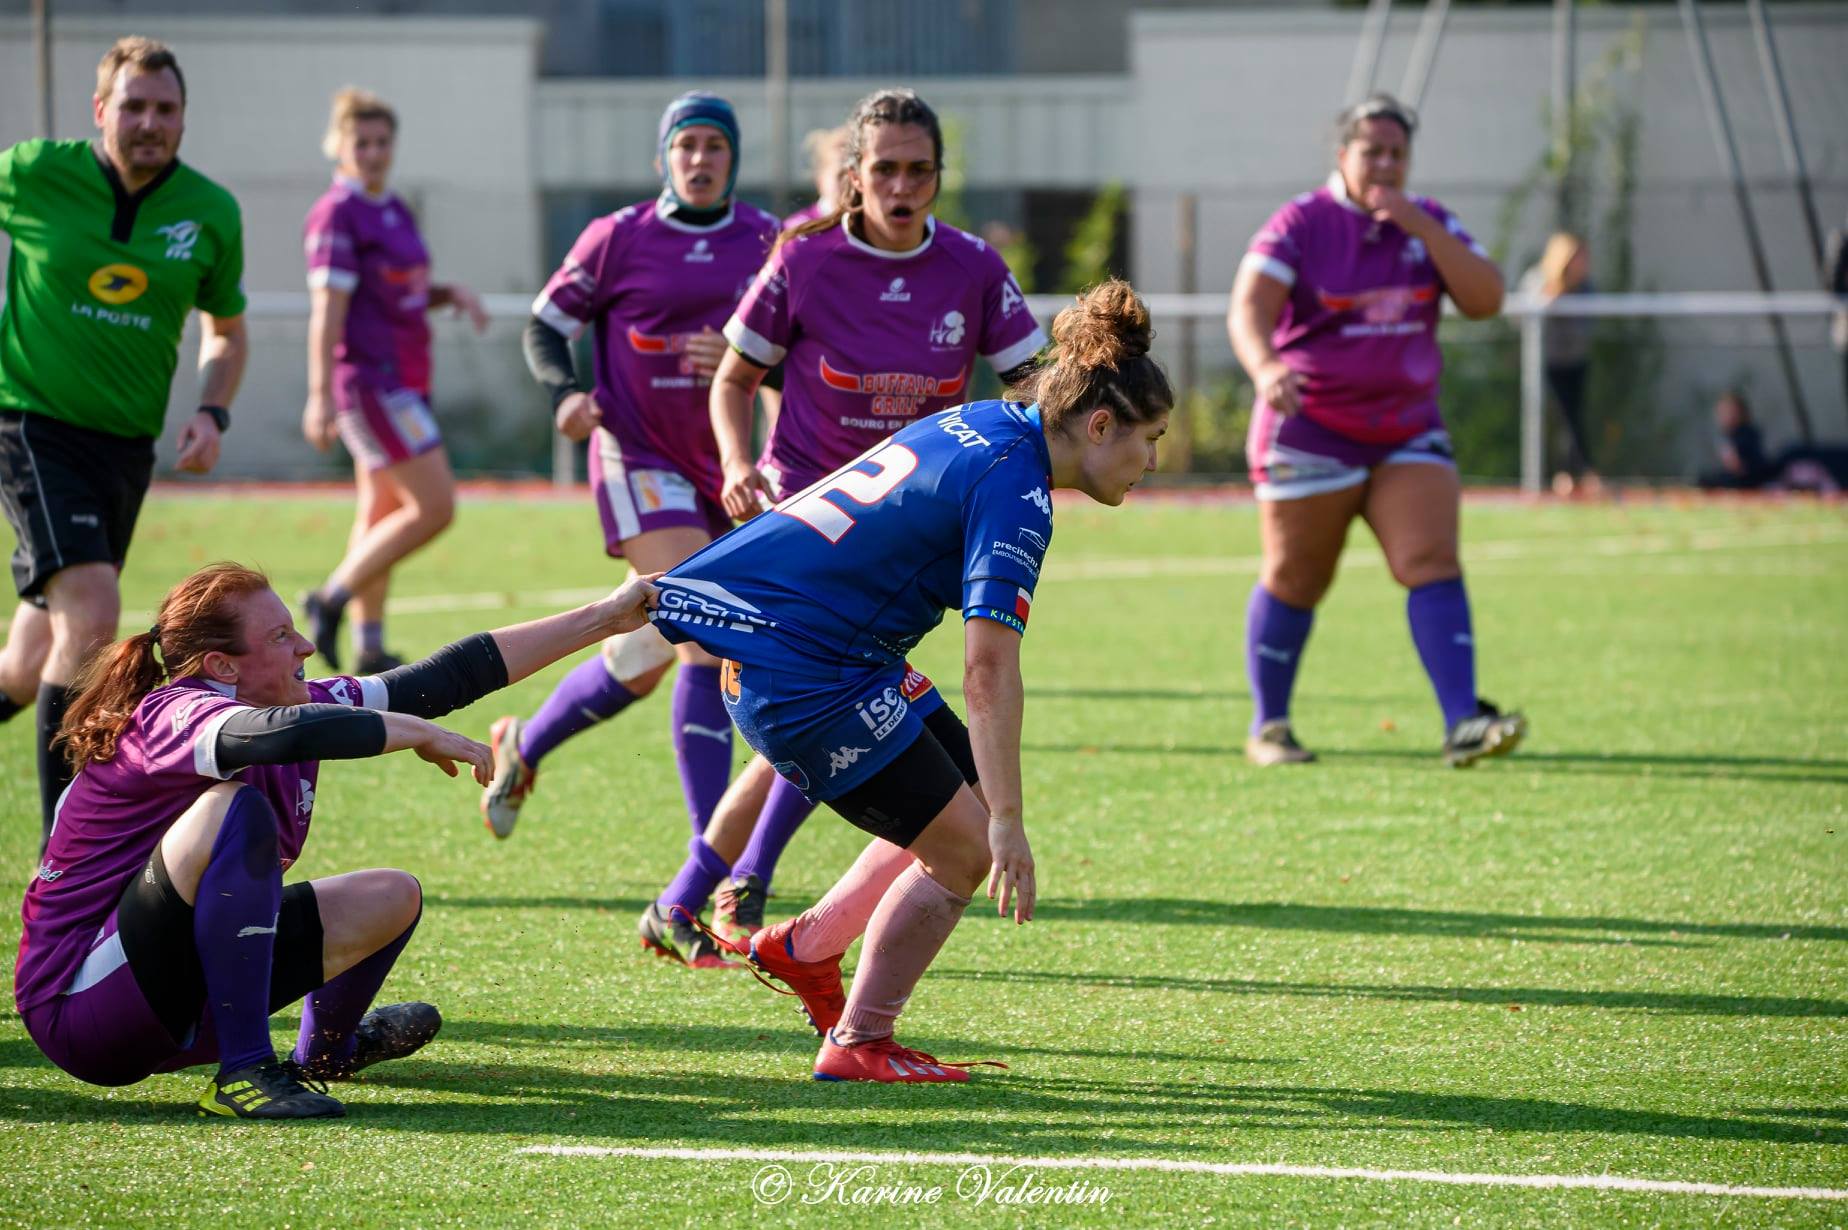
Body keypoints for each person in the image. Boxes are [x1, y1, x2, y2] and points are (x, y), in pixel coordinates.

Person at [653, 280, 1169, 1082]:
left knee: (958, 778)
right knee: (965, 853)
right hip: (807, 681)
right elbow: (988, 667)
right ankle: (859, 1043)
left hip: (813, 657)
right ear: (1100, 425)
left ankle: (810, 945)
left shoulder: (990, 422)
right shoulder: (1021, 493)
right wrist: (1008, 822)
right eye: (1151, 439)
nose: (1152, 462)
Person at [17, 562, 657, 1119]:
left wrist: (605, 617)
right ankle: (245, 1072)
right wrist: (409, 733)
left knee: (391, 896)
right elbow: (276, 735)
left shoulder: (292, 702)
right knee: (231, 809)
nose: (305, 646)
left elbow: (448, 678)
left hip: (167, 1002)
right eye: (279, 636)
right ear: (219, 666)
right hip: (82, 1010)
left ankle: (326, 1053)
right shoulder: (174, 712)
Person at [646, 87, 1048, 961]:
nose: (903, 187)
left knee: (824, 711)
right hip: (808, 529)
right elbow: (734, 380)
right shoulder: (806, 260)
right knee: (823, 705)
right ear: (854, 177)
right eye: (885, 170)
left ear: (939, 175)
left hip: (907, 545)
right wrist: (734, 463)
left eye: (920, 171)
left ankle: (707, 890)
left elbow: (1036, 391)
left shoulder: (974, 268)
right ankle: (726, 889)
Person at [475, 93, 779, 962]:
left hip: (722, 467)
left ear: (733, 158)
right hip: (635, 459)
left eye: (715, 145)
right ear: (663, 159)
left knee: (647, 651)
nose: (700, 158)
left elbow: (791, 345)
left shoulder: (765, 240)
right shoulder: (617, 236)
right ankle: (710, 878)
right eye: (686, 144)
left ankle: (524, 741)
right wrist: (565, 395)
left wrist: (749, 359)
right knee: (707, 644)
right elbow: (544, 324)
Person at [0, 37, 248, 855]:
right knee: (95, 614)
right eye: (133, 107)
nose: (149, 123)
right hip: (32, 424)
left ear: (182, 118)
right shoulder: (35, 173)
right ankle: (63, 856)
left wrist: (214, 409)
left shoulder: (210, 212)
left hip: (125, 451)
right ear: (99, 110)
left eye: (165, 110)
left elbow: (227, 331)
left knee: (26, 663)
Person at [1227, 92, 1525, 768]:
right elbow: (1248, 308)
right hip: (1310, 428)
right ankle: (1270, 727)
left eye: (1398, 154)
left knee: (1431, 562)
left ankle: (1462, 725)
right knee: (1296, 578)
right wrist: (1266, 365)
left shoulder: (1428, 223)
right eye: (1373, 152)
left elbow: (1486, 300)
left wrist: (1423, 227)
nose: (1386, 165)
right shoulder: (1301, 222)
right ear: (1343, 156)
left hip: (1405, 430)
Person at [300, 88, 489, 673]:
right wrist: (318, 395)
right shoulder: (338, 212)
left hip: (405, 375)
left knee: (380, 513)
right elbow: (327, 310)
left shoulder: (393, 208)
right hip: (372, 383)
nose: (374, 152)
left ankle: (372, 645)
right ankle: (329, 597)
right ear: (338, 144)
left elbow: (395, 292)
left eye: (383, 142)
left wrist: (444, 293)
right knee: (435, 507)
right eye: (362, 142)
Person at [1517, 232, 1598, 494]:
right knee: (1563, 416)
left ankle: (1570, 473)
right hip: (1547, 361)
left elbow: (1587, 325)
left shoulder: (1586, 287)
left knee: (1573, 415)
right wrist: (1551, 299)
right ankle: (1579, 472)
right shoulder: (1539, 279)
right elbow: (1522, 316)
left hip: (1575, 360)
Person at [1697, 389, 1773, 490]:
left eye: (1730, 412)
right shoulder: (1729, 436)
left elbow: (1738, 467)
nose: (1726, 417)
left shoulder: (1746, 433)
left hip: (1752, 478)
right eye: (1721, 413)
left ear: (1742, 413)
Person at [783, 124, 849, 230]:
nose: (851, 183)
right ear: (820, 180)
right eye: (841, 175)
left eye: (858, 175)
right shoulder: (799, 231)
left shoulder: (874, 230)